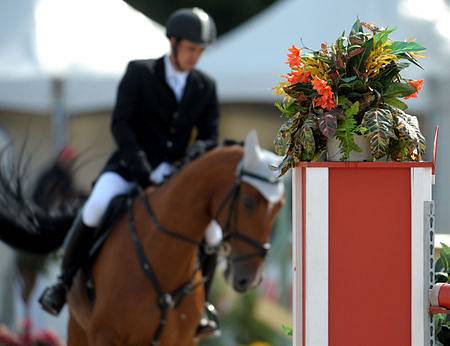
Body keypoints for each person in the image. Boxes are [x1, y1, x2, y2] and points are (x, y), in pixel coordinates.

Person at [39, 7, 220, 336]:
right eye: (191, 48)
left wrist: (183, 166)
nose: (196, 56)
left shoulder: (204, 87)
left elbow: (209, 137)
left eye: (200, 51)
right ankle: (63, 284)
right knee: (94, 207)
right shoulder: (140, 73)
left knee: (213, 234)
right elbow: (121, 124)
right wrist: (145, 170)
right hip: (129, 169)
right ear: (174, 42)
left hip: (176, 179)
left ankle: (203, 305)